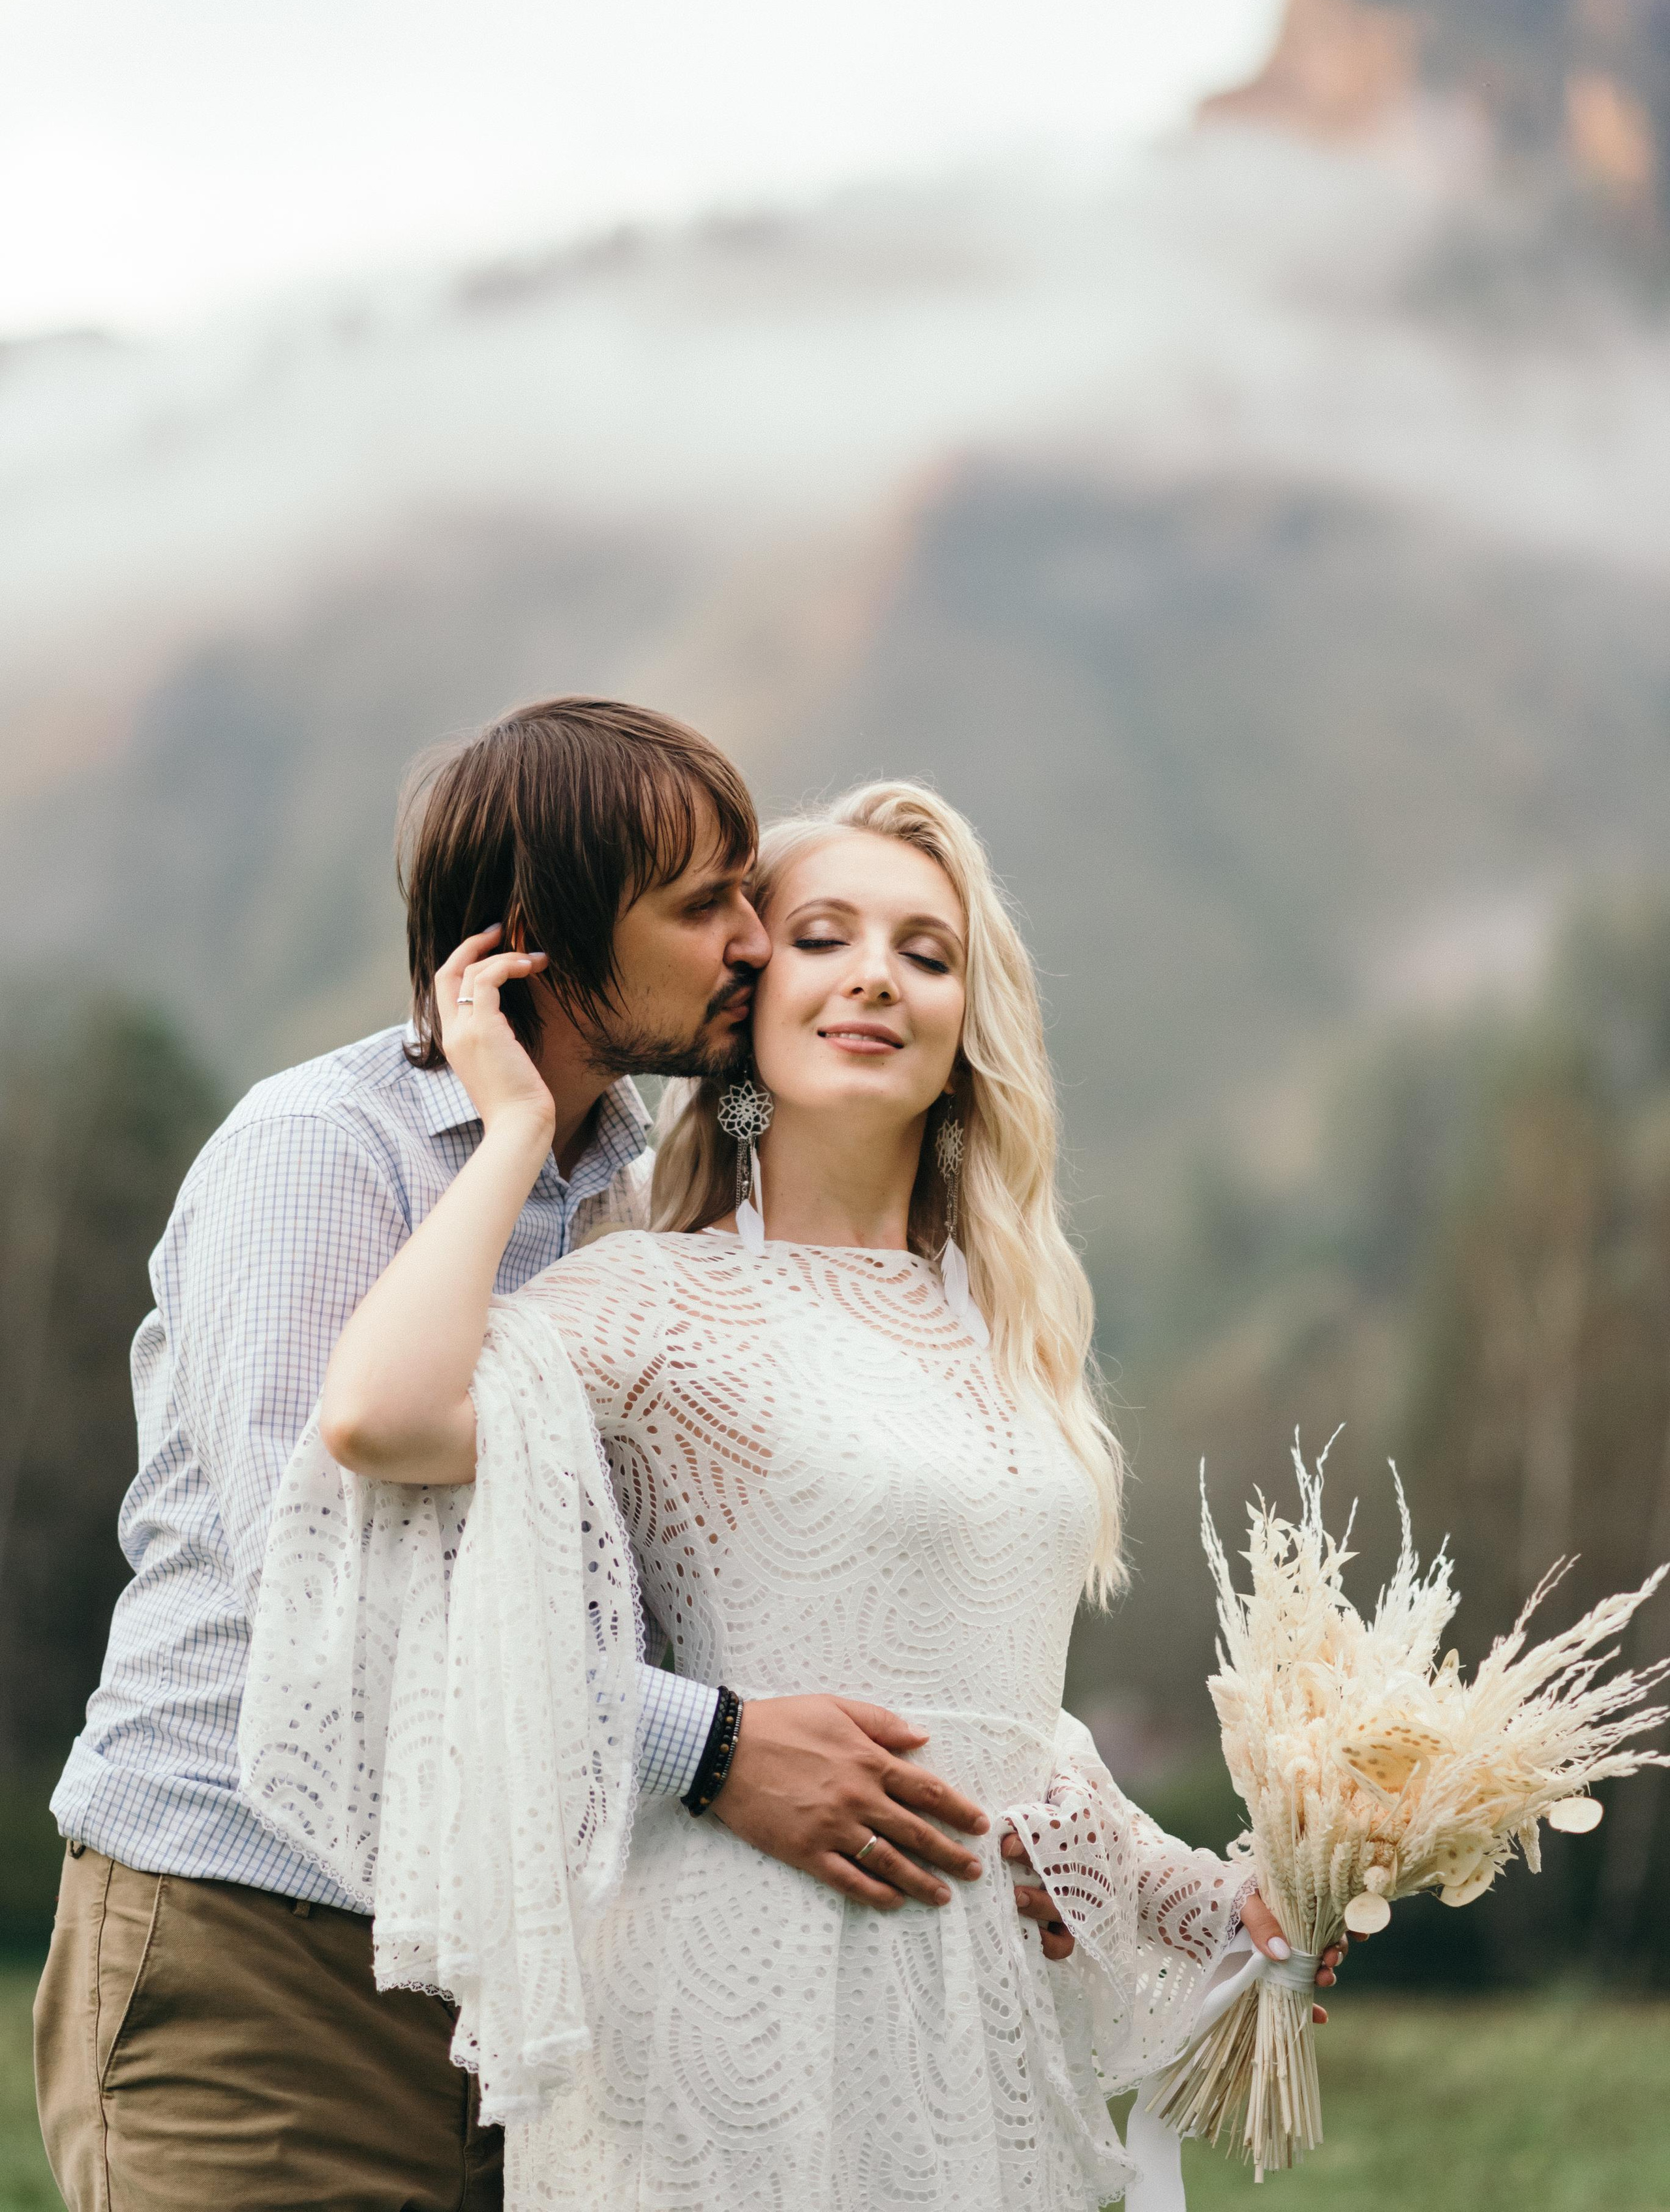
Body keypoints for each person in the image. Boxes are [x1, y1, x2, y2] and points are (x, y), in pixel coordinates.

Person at [254, 778, 1344, 2212]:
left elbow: (1008, 1725)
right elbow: (377, 1419)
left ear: (967, 1031)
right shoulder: (651, 1297)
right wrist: (510, 1121)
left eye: (926, 953)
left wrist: (1204, 1900)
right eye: (822, 938)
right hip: (718, 1998)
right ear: (748, 1008)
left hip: (982, 2016)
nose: (875, 978)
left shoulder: (1010, 1332)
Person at [34, 703, 993, 2212]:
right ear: (540, 943)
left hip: (522, 1971)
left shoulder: (620, 1199)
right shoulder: (319, 1155)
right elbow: (327, 1599)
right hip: (261, 1947)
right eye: (703, 907)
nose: (751, 941)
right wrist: (719, 1750)